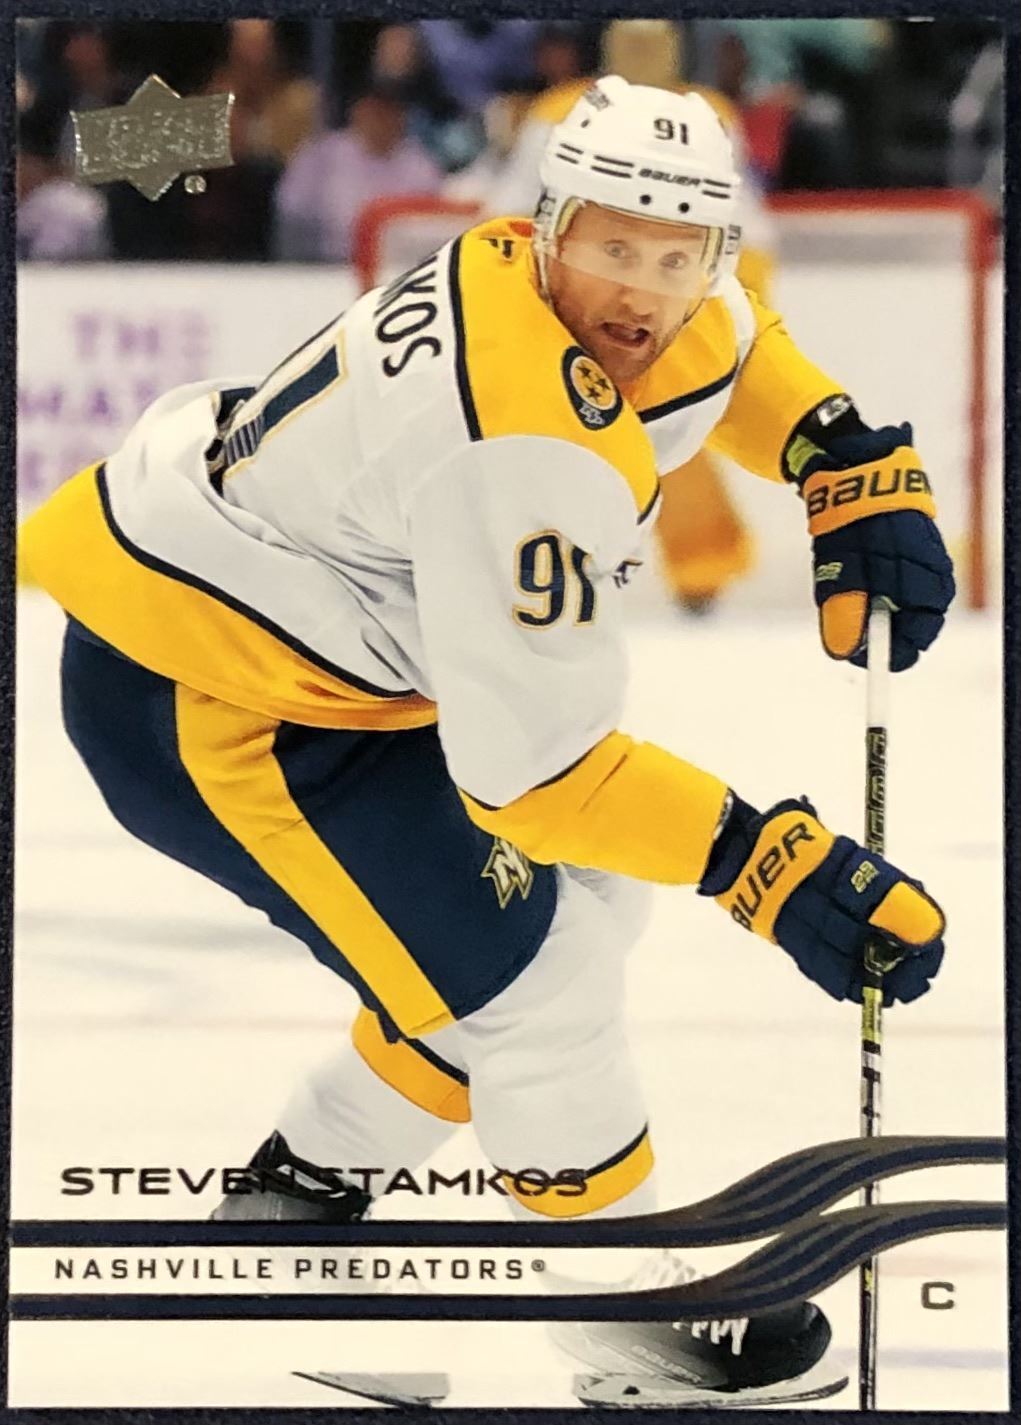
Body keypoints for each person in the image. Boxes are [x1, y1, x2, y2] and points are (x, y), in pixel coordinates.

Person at [21, 77, 953, 1405]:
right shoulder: (520, 434)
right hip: (211, 697)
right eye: (613, 248)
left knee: (584, 906)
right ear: (550, 226)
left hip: (309, 662)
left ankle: (292, 1209)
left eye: (675, 256)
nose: (640, 292)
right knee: (538, 984)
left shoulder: (576, 285)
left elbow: (738, 351)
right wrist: (768, 866)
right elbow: (539, 780)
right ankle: (625, 1310)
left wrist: (837, 451)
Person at [484, 19, 777, 612]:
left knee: (678, 423)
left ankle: (701, 568)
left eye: (655, 42)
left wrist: (736, 294)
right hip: (582, 282)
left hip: (681, 282)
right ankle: (531, 564)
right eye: (631, 41)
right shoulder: (562, 108)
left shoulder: (709, 111)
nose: (643, 53)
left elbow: (739, 211)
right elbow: (516, 205)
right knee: (549, 428)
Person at [274, 79, 443, 261]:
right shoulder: (322, 154)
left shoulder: (421, 166)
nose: (379, 120)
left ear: (401, 116)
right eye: (373, 111)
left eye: (387, 112)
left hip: (398, 265)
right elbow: (290, 208)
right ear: (356, 112)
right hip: (326, 263)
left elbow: (432, 224)